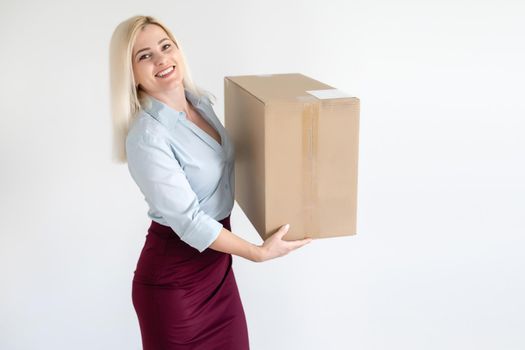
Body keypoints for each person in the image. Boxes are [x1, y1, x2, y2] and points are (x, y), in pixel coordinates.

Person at [109, 15, 312, 350]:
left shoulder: (200, 104)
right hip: (174, 286)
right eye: (144, 56)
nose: (161, 59)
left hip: (217, 272)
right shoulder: (147, 136)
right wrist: (259, 253)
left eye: (165, 46)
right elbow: (189, 222)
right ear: (129, 73)